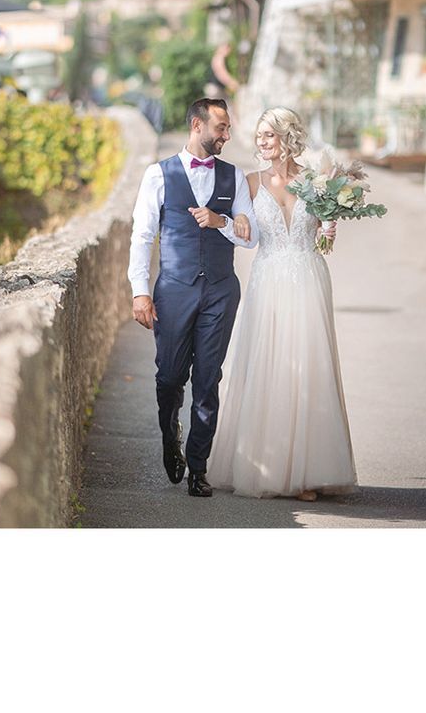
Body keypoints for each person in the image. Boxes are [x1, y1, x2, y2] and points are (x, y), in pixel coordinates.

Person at [207, 108, 357, 500]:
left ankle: (307, 472)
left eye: (269, 135)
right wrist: (222, 223)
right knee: (271, 365)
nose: (261, 142)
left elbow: (326, 239)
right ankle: (270, 468)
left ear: (288, 137)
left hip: (309, 274)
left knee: (309, 367)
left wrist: (329, 227)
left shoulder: (316, 182)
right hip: (269, 277)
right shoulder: (249, 182)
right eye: (258, 136)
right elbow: (247, 237)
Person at [127, 98, 256, 497]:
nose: (227, 136)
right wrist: (140, 293)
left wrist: (221, 223)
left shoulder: (233, 177)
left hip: (220, 291)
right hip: (174, 291)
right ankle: (171, 436)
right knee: (168, 379)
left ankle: (199, 468)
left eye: (228, 128)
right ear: (197, 125)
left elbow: (251, 238)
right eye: (221, 128)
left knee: (207, 380)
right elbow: (142, 236)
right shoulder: (158, 174)